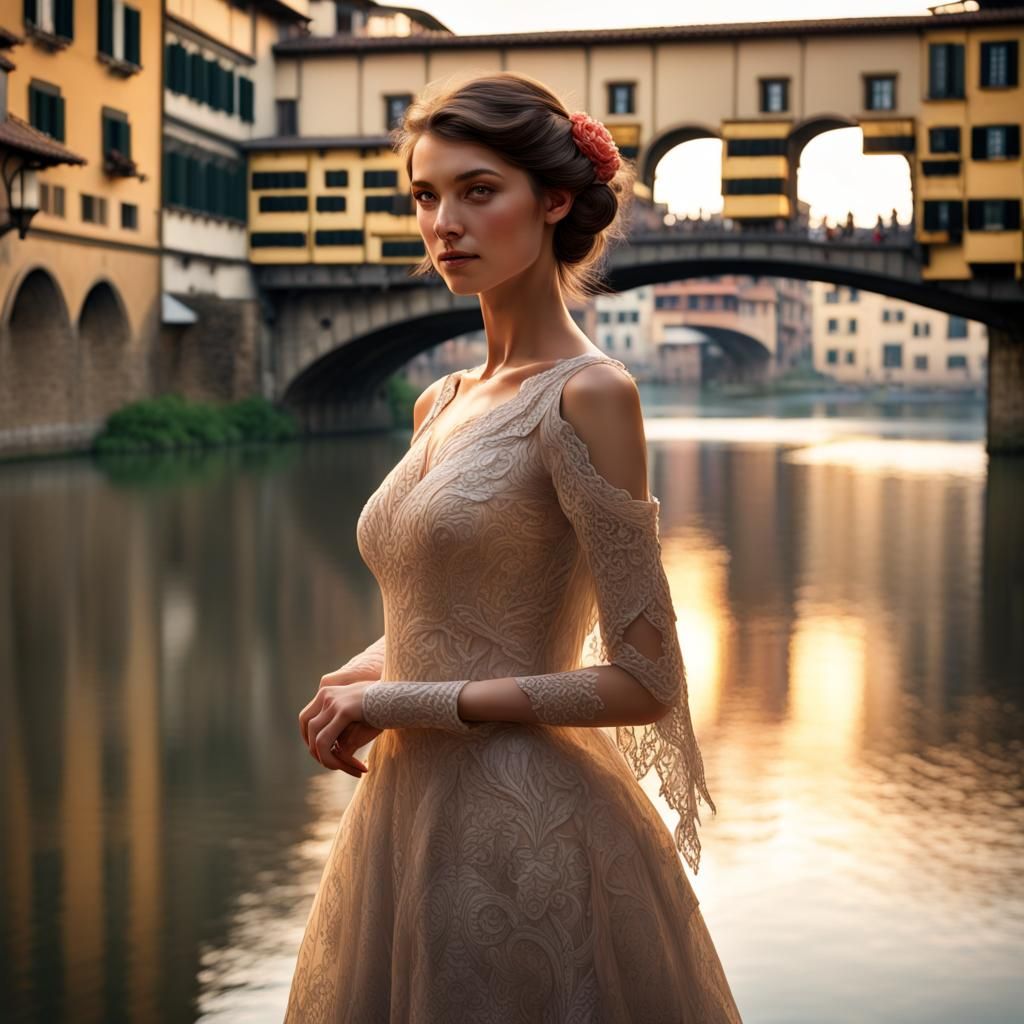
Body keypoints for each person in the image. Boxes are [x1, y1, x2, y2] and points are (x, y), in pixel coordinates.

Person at [285, 71, 743, 1023]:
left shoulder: (592, 395)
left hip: (527, 826)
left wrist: (403, 698)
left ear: (556, 200)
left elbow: (645, 680)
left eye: (476, 191)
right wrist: (362, 676)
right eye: (425, 196)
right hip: (404, 817)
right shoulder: (439, 401)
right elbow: (454, 607)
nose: (442, 221)